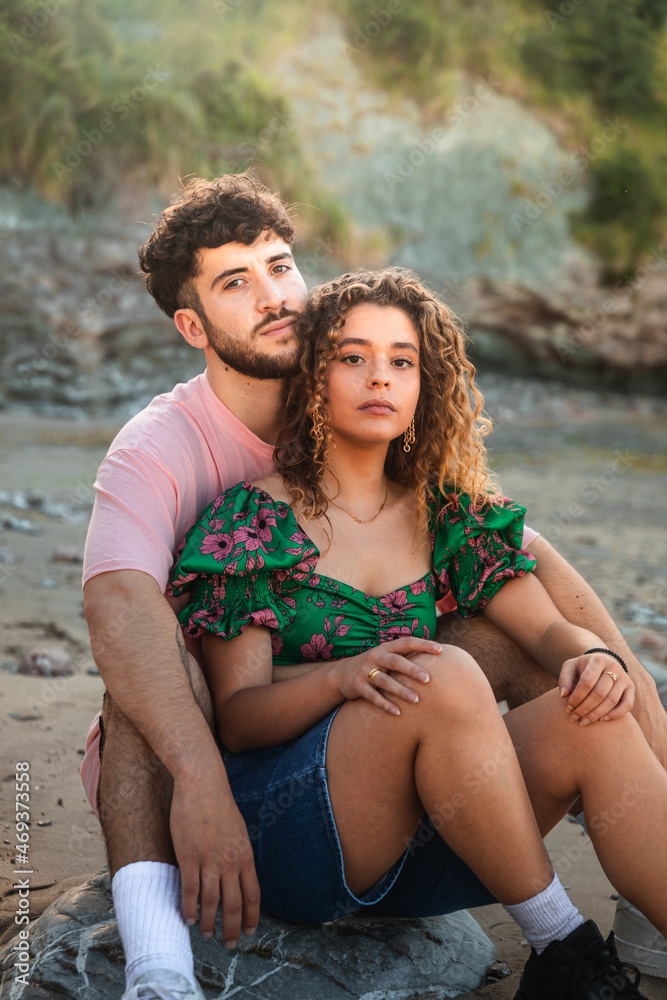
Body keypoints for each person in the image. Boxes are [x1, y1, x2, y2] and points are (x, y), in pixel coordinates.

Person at [80, 174, 667, 999]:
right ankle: (561, 945)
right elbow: (150, 637)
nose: (378, 378)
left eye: (280, 266)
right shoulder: (216, 496)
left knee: (584, 696)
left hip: (424, 816)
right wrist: (333, 684)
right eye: (235, 282)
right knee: (427, 671)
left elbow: (527, 594)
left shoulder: (438, 502)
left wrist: (598, 656)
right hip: (284, 807)